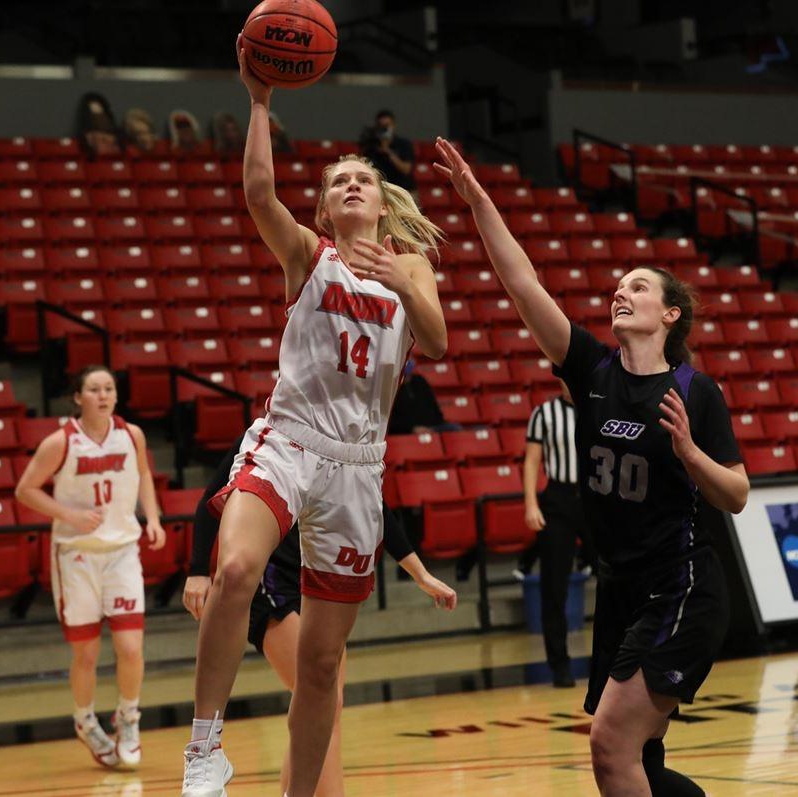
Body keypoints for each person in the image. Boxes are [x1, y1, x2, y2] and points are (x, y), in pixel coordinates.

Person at [436, 138, 744, 797]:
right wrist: (479, 201)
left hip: (682, 587)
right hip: (622, 591)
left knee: (610, 743)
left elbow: (738, 493)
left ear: (670, 313)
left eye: (637, 286)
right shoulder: (593, 371)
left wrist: (692, 455)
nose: (619, 291)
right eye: (617, 284)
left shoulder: (697, 391)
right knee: (639, 761)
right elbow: (523, 284)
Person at [181, 43, 449, 797]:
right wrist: (260, 102)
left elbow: (436, 339)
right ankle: (205, 746)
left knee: (324, 667)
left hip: (360, 466)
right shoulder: (309, 255)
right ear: (328, 208)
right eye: (340, 182)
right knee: (236, 568)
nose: (354, 184)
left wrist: (401, 276)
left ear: (383, 200)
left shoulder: (409, 269)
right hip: (290, 439)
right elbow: (260, 195)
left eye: (365, 177)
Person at [183, 440, 457, 797]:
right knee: (320, 693)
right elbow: (213, 499)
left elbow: (377, 510)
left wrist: (420, 573)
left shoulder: (348, 448)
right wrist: (197, 571)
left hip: (314, 578)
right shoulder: (272, 433)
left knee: (328, 701)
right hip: (272, 581)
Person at [14, 365, 166, 770]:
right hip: (77, 554)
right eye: (94, 389)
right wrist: (68, 514)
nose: (103, 395)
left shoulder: (131, 434)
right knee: (87, 653)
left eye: (109, 389)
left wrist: (152, 517)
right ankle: (84, 721)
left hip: (121, 552)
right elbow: (24, 490)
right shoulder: (60, 442)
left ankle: (129, 719)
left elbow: (145, 474)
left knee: (131, 647)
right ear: (78, 397)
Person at [524, 379, 591, 688]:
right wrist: (530, 504)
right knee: (554, 587)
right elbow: (532, 460)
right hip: (558, 500)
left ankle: (619, 658)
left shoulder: (597, 406)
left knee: (618, 577)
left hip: (595, 499)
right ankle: (560, 665)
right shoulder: (544, 413)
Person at [387, 358, 453, 435]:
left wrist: (432, 426)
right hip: (407, 432)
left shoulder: (420, 381)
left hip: (433, 427)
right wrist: (412, 429)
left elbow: (434, 408)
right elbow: (391, 421)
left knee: (455, 429)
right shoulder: (391, 388)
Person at [359, 109, 416, 193]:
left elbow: (406, 169)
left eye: (387, 126)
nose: (384, 129)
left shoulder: (404, 144)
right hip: (381, 190)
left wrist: (388, 151)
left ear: (393, 125)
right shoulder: (371, 146)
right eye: (381, 126)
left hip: (404, 190)